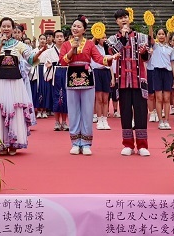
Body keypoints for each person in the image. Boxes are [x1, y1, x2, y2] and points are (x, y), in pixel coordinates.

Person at [0, 16, 36, 155]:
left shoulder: (20, 45)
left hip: (15, 81)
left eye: (8, 26)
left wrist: (40, 52)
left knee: (14, 110)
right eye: (3, 26)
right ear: (0, 28)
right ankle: (0, 142)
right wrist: (0, 45)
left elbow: (30, 59)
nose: (6, 28)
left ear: (12, 28)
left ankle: (13, 143)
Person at [59, 16, 107, 155]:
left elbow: (98, 58)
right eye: (74, 26)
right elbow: (62, 61)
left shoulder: (90, 44)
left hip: (87, 77)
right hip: (72, 76)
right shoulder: (66, 44)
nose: (75, 28)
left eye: (79, 26)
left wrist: (108, 59)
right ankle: (75, 142)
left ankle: (86, 143)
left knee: (87, 111)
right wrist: (72, 49)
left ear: (84, 30)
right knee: (73, 111)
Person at [106, 9, 151, 155]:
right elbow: (113, 53)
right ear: (116, 22)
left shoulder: (142, 37)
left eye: (125, 17)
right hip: (123, 80)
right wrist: (124, 38)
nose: (123, 20)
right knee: (125, 112)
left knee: (141, 112)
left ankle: (142, 145)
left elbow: (146, 58)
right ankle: (128, 144)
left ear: (129, 19)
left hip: (139, 80)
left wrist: (145, 52)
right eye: (120, 18)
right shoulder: (112, 39)